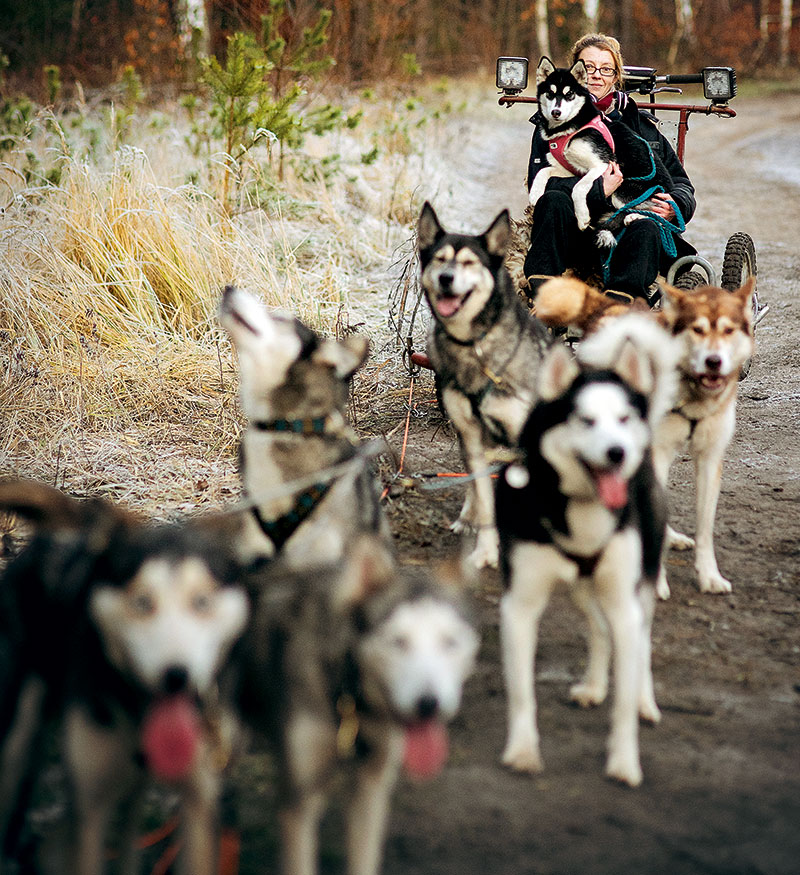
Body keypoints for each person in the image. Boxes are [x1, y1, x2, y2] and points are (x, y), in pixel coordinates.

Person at [523, 33, 697, 302]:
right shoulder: (551, 125)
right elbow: (538, 183)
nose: (596, 75)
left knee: (647, 227)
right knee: (553, 200)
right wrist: (597, 190)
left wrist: (675, 205)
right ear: (576, 74)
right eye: (588, 67)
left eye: (606, 69)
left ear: (615, 77)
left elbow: (681, 182)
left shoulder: (641, 127)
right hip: (575, 232)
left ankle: (621, 303)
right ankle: (544, 298)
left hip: (628, 234)